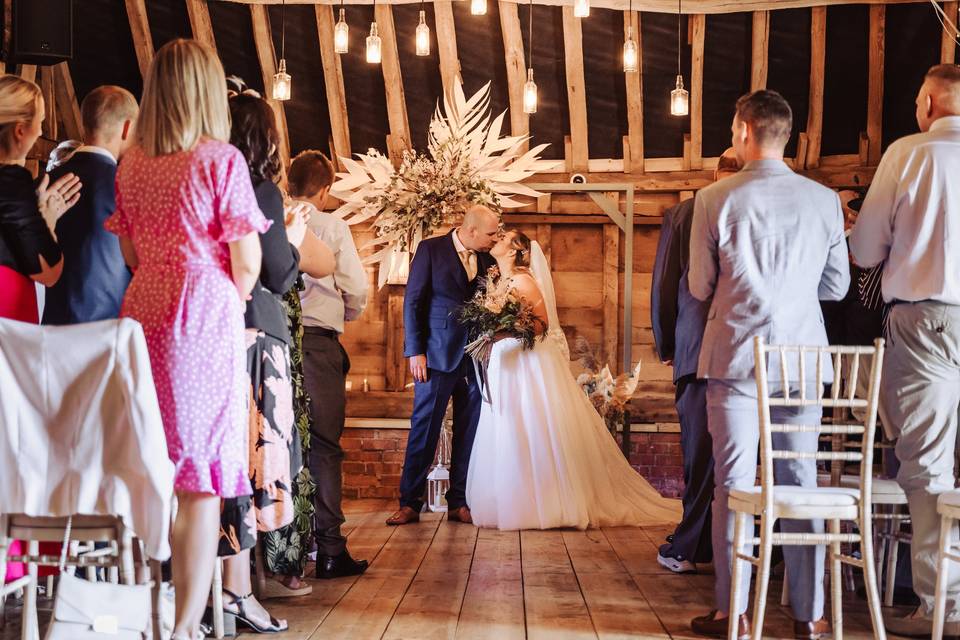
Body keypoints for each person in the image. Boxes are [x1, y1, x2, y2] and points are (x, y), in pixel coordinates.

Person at [104, 39, 270, 640]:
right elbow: (247, 262)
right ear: (206, 92)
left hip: (142, 305)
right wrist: (225, 289)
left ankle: (148, 610)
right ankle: (180, 628)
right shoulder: (219, 160)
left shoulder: (132, 163)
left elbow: (127, 252)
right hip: (201, 312)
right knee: (199, 479)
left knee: (154, 462)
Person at [687, 90, 849, 640]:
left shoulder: (714, 199)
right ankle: (810, 616)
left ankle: (734, 612)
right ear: (788, 136)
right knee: (798, 481)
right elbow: (838, 285)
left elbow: (699, 285)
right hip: (802, 360)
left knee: (733, 486)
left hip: (734, 356)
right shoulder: (825, 201)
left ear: (742, 131)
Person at [465, 230, 681, 530]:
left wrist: (500, 332)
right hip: (506, 362)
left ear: (514, 251)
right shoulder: (498, 282)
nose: (496, 240)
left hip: (527, 362)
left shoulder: (523, 281)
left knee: (531, 426)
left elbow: (540, 325)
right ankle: (510, 499)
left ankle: (547, 503)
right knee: (508, 425)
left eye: (503, 238)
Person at [849, 63, 960, 638]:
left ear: (927, 102)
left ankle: (944, 606)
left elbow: (866, 249)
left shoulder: (909, 154)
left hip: (926, 321)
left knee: (928, 462)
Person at [213, 94, 316, 633]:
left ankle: (229, 591)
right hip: (260, 338)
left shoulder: (211, 181)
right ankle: (239, 592)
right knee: (259, 471)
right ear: (267, 138)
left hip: (218, 336)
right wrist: (293, 242)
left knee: (228, 468)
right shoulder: (262, 191)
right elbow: (276, 272)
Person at [651, 148, 741, 574]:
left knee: (699, 452)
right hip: (751, 349)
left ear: (715, 173)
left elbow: (666, 282)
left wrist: (667, 342)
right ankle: (731, 547)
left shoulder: (686, 212)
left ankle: (689, 545)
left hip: (698, 345)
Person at [387, 205, 500, 527]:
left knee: (469, 431)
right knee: (424, 428)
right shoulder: (430, 250)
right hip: (435, 357)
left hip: (475, 358)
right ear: (472, 229)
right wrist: (415, 352)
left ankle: (458, 502)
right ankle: (410, 503)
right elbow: (414, 301)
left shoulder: (489, 261)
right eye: (491, 233)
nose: (495, 239)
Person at [286, 149, 368, 579]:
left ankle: (282, 550)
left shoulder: (269, 216)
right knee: (324, 446)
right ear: (326, 188)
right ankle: (331, 549)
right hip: (317, 344)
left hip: (273, 343)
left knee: (279, 445)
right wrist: (347, 314)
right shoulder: (332, 226)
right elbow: (355, 286)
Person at [43, 86, 138, 325]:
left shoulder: (44, 183)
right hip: (108, 327)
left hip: (50, 326)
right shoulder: (128, 188)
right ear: (127, 128)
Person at [0, 74, 79, 323]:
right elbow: (48, 272)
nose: (41, 131)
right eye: (40, 122)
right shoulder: (11, 183)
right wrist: (47, 219)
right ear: (20, 131)